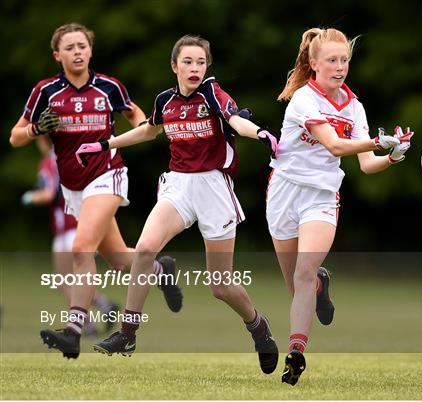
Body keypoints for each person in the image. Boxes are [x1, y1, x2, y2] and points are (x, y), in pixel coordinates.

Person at [75, 34, 280, 374]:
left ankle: (258, 327)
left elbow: (236, 121)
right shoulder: (165, 101)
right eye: (187, 61)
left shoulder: (213, 94)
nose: (194, 67)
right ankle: (128, 333)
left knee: (220, 287)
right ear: (174, 66)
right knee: (144, 249)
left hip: (214, 187)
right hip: (179, 185)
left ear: (207, 66)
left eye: (200, 62)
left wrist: (259, 133)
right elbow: (147, 130)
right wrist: (104, 145)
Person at [9, 23, 183, 359]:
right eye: (69, 47)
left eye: (82, 46)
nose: (77, 51)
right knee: (119, 260)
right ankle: (161, 270)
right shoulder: (45, 91)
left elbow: (138, 117)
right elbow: (15, 137)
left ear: (90, 51)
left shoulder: (107, 87)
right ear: (57, 55)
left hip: (107, 176)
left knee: (80, 248)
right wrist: (34, 129)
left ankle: (73, 332)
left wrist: (149, 130)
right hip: (72, 187)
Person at [268, 27, 413, 385]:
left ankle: (296, 355)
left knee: (302, 273)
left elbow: (366, 165)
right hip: (284, 193)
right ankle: (319, 286)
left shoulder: (355, 107)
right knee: (296, 284)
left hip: (321, 197)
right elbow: (334, 146)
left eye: (344, 60)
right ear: (314, 63)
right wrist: (375, 142)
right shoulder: (305, 99)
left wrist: (392, 157)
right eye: (332, 60)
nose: (339, 66)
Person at [21, 136, 119, 336]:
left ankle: (97, 312)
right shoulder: (73, 156)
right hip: (83, 223)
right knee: (74, 279)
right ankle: (94, 316)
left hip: (66, 228)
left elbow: (48, 193)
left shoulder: (50, 160)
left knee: (64, 281)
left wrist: (30, 197)